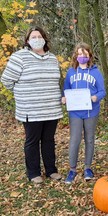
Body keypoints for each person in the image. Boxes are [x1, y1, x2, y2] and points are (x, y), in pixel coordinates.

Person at [1, 26, 63, 184]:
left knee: (49, 140)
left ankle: (51, 170)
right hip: (31, 109)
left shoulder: (52, 59)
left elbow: (56, 81)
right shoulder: (20, 57)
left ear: (44, 38)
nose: (37, 39)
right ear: (27, 41)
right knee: (32, 140)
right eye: (33, 37)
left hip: (51, 109)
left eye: (39, 36)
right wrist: (22, 94)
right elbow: (6, 80)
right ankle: (34, 172)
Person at [62, 42, 106, 184]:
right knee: (75, 139)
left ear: (89, 55)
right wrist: (63, 98)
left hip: (91, 111)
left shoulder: (95, 72)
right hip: (75, 112)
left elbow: (102, 91)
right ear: (76, 56)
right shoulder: (70, 72)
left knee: (89, 139)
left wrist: (96, 97)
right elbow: (65, 90)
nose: (82, 57)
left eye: (85, 54)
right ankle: (72, 169)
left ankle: (88, 167)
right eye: (79, 54)